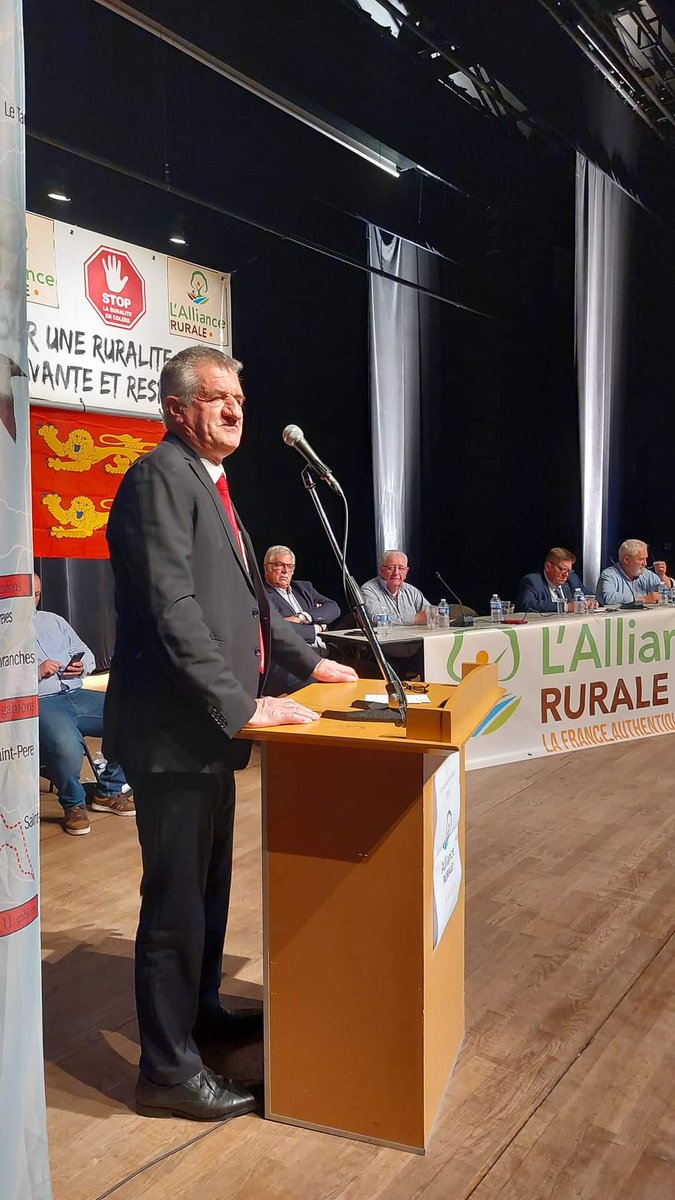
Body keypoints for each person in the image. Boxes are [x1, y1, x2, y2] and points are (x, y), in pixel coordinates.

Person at [104, 345, 357, 1124]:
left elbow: (248, 611)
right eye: (215, 398)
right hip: (174, 738)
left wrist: (311, 663)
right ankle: (167, 1072)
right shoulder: (157, 478)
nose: (234, 409)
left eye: (238, 396)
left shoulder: (211, 485)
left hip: (205, 737)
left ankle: (202, 1017)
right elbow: (173, 611)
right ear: (177, 410)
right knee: (175, 903)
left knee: (208, 896)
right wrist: (242, 704)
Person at [35, 574, 134, 836]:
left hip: (77, 693)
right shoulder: (5, 628)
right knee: (67, 746)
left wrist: (82, 666)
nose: (32, 600)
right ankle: (74, 805)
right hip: (42, 701)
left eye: (36, 594)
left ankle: (109, 790)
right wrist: (35, 671)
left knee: (132, 717)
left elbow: (85, 651)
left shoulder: (53, 620)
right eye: (27, 594)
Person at [262, 545, 341, 695]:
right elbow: (276, 628)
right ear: (267, 567)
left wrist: (303, 617)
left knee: (352, 679)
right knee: (325, 690)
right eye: (280, 565)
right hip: (291, 663)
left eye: (290, 566)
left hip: (323, 656)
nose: (286, 571)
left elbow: (333, 607)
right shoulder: (262, 594)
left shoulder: (304, 588)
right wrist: (317, 628)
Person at [515, 547, 597, 614]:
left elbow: (596, 596)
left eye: (569, 571)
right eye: (562, 569)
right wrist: (566, 607)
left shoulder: (572, 579)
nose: (566, 575)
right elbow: (525, 605)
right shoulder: (533, 581)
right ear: (548, 567)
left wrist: (592, 601)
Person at [361, 550, 431, 625]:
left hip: (413, 636)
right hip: (384, 636)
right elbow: (376, 619)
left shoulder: (412, 591)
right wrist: (415, 619)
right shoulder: (368, 590)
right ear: (382, 570)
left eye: (401, 568)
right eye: (391, 568)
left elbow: (430, 612)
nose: (396, 573)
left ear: (406, 572)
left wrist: (434, 614)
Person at [596, 539, 673, 605]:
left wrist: (662, 576)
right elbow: (608, 598)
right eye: (641, 559)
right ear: (626, 560)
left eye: (646, 559)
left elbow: (668, 593)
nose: (645, 563)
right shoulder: (609, 575)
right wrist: (643, 599)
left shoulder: (647, 574)